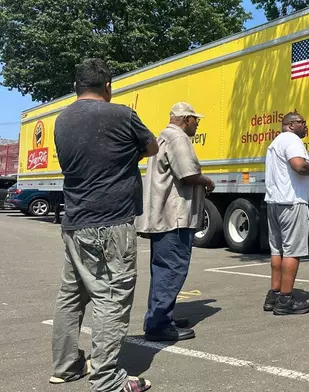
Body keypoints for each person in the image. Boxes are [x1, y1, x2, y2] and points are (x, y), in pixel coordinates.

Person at [51, 58, 158, 392]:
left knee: (72, 294)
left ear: (76, 86)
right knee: (112, 297)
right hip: (111, 223)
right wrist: (129, 154)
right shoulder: (123, 114)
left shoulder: (61, 119)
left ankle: (66, 366)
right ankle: (107, 379)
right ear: (108, 86)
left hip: (75, 221)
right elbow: (152, 147)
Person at [136, 102, 214, 341]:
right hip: (175, 217)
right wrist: (207, 181)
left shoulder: (162, 136)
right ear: (186, 119)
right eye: (195, 120)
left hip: (163, 216)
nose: (197, 124)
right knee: (171, 270)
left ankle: (159, 317)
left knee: (162, 269)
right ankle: (159, 325)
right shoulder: (178, 138)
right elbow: (188, 174)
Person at [263, 112, 309, 315]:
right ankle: (286, 299)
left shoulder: (275, 143)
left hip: (274, 202)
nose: (305, 126)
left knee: (277, 251)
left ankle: (274, 294)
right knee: (292, 250)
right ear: (292, 125)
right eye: (303, 122)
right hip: (292, 202)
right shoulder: (292, 140)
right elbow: (298, 165)